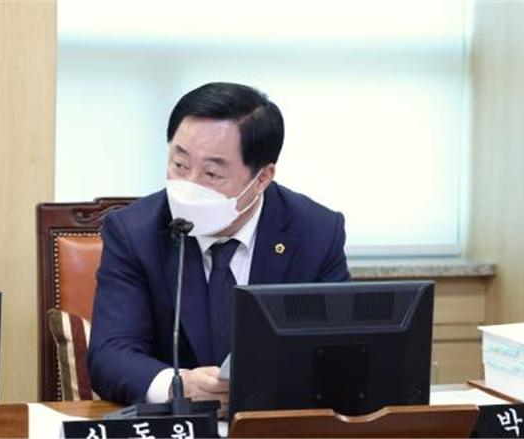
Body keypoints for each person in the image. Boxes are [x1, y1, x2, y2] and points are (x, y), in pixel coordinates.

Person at [88, 82, 350, 413]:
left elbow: (338, 353)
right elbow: (110, 354)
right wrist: (178, 386)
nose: (189, 186)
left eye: (212, 174)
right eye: (180, 165)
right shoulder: (134, 232)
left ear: (262, 178)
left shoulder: (316, 232)